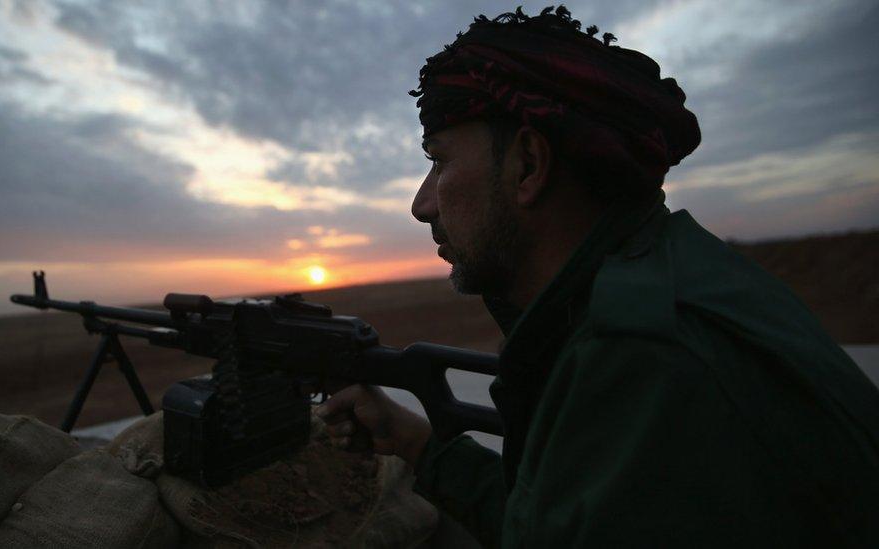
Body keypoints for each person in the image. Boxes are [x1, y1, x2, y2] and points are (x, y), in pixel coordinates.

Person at [316, 6, 879, 547]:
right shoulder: (660, 279)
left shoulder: (644, 356)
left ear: (529, 165)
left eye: (438, 161)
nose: (422, 204)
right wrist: (418, 444)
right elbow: (549, 527)